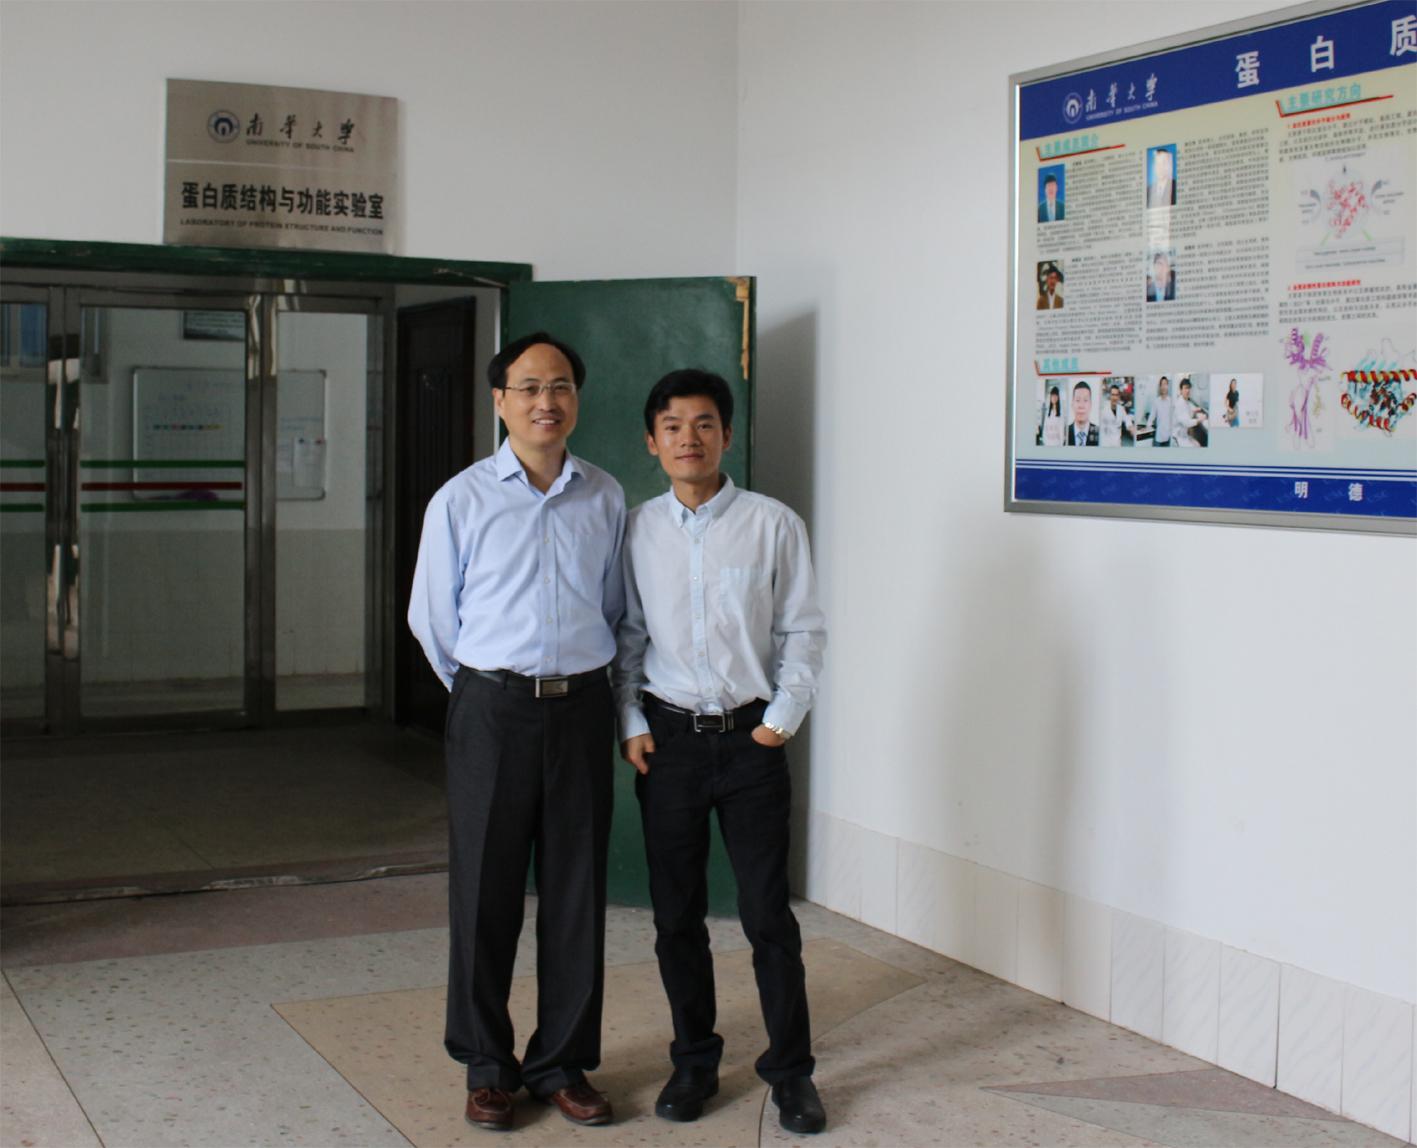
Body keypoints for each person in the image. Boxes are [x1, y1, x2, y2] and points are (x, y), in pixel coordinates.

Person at [408, 331, 626, 1132]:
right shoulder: (460, 499)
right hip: (492, 710)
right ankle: (487, 1067)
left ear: (576, 398)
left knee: (576, 892)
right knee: (484, 892)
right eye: (529, 387)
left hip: (582, 708)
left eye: (560, 385)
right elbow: (433, 620)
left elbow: (614, 608)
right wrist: (486, 693)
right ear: (499, 400)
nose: (546, 401)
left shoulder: (604, 496)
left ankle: (561, 1064)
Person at [613, 369, 828, 1135]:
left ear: (726, 436)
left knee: (768, 916)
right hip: (668, 742)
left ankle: (791, 1073)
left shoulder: (772, 524)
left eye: (704, 424)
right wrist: (629, 719)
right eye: (672, 426)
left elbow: (802, 629)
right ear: (652, 441)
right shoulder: (634, 530)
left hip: (750, 743)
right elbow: (628, 634)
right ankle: (694, 1061)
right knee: (676, 917)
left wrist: (781, 720)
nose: (688, 438)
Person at [1173, 377, 1208, 447]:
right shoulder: (1180, 403)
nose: (1188, 390)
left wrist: (1196, 410)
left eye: (1189, 388)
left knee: (1198, 444)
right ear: (1181, 390)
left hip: (1184, 434)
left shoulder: (1185, 401)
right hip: (1179, 437)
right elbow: (1187, 423)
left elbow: (1188, 409)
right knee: (1198, 445)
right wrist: (1200, 420)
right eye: (1185, 388)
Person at [1065, 380, 1099, 446]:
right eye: (1077, 400)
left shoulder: (1099, 433)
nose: (1081, 406)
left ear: (1090, 405)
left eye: (1085, 400)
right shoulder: (1064, 432)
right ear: (1072, 405)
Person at [1148, 375, 1174, 446]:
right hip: (1158, 437)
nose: (1163, 386)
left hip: (1168, 437)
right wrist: (1147, 428)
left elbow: (1174, 418)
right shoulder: (1156, 401)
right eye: (1161, 384)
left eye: (1165, 384)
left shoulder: (1171, 401)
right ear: (1160, 387)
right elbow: (1151, 417)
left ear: (1168, 386)